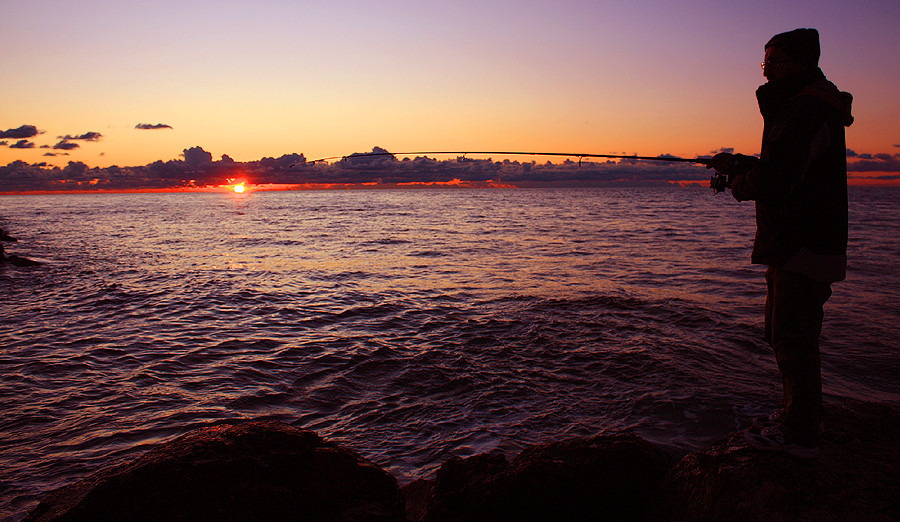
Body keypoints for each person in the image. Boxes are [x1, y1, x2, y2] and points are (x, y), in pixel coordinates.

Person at [709, 28, 853, 458]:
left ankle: (800, 434)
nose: (767, 71)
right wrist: (741, 163)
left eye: (774, 63)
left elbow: (778, 179)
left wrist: (738, 183)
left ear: (799, 64)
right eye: (764, 63)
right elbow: (788, 164)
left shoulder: (806, 110)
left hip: (802, 241)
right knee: (783, 333)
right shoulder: (801, 107)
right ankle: (798, 413)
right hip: (797, 239)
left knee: (792, 336)